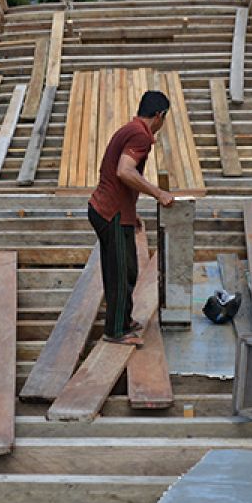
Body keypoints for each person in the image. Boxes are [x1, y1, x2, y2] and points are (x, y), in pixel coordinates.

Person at [87, 90, 175, 345]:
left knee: (128, 269)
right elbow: (124, 171)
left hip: (113, 211)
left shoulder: (133, 129)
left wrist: (131, 213)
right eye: (164, 118)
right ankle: (115, 331)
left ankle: (123, 321)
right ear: (159, 115)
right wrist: (159, 193)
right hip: (110, 213)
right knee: (119, 274)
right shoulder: (140, 135)